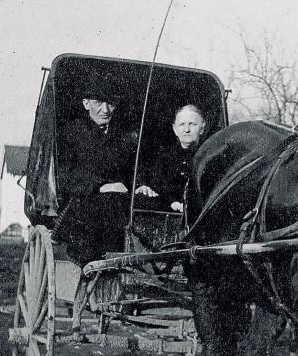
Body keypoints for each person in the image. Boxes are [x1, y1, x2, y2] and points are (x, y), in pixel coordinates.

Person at [53, 87, 156, 264]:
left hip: (120, 202)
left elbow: (135, 168)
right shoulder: (71, 133)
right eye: (98, 103)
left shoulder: (126, 136)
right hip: (81, 202)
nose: (105, 109)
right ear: (86, 103)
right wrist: (101, 186)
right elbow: (65, 175)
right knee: (108, 204)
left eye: (111, 103)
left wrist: (141, 184)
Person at [148, 104, 208, 212]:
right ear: (175, 129)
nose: (186, 129)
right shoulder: (164, 157)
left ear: (202, 128)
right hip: (169, 211)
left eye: (192, 124)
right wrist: (172, 202)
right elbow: (157, 184)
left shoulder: (208, 156)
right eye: (181, 124)